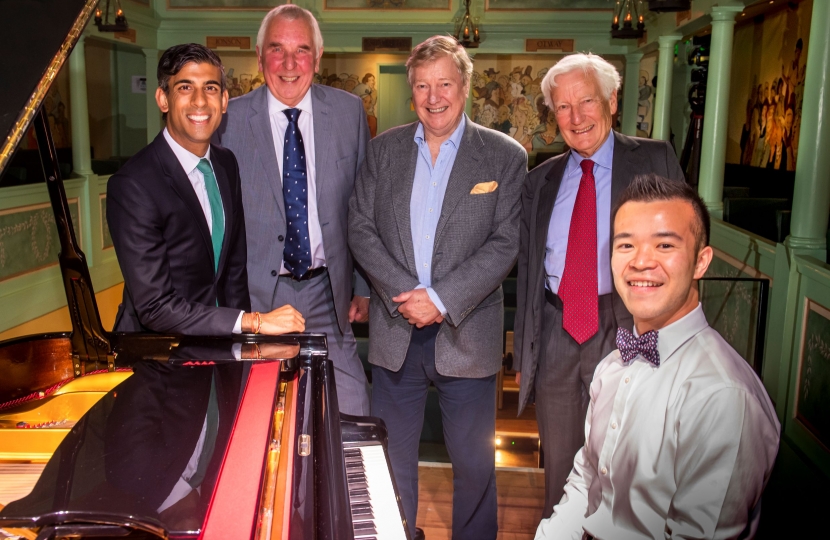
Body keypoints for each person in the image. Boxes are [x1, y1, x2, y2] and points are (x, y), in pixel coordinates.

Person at [348, 35, 526, 540]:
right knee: (391, 463)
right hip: (395, 330)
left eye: (444, 83)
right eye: (423, 86)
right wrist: (407, 293)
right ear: (412, 92)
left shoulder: (503, 156)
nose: (434, 96)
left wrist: (441, 300)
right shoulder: (383, 151)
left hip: (467, 334)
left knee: (474, 467)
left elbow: (505, 242)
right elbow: (359, 225)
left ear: (464, 86)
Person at [535, 174, 780, 539]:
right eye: (626, 246)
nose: (641, 262)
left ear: (701, 261)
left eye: (664, 246)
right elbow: (586, 480)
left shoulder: (724, 397)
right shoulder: (611, 367)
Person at [513, 53, 685, 517]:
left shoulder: (653, 159)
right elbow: (528, 270)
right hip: (557, 327)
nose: (576, 117)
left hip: (628, 321)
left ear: (611, 99)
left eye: (586, 101)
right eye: (563, 108)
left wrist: (672, 334)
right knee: (562, 472)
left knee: (628, 464)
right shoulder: (540, 180)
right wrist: (524, 350)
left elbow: (684, 242)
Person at [215, 5, 371, 415]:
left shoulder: (348, 112)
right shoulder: (228, 121)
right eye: (276, 49)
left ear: (318, 58)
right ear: (258, 54)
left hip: (327, 292)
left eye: (301, 50)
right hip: (256, 297)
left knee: (352, 408)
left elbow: (363, 206)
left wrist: (363, 286)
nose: (289, 64)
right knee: (257, 414)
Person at [108, 44, 304, 337]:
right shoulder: (134, 184)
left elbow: (234, 272)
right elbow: (155, 307)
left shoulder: (226, 163)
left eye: (210, 88)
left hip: (221, 347)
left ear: (224, 101)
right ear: (163, 99)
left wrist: (244, 345)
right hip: (159, 356)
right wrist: (253, 322)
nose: (200, 101)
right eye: (185, 87)